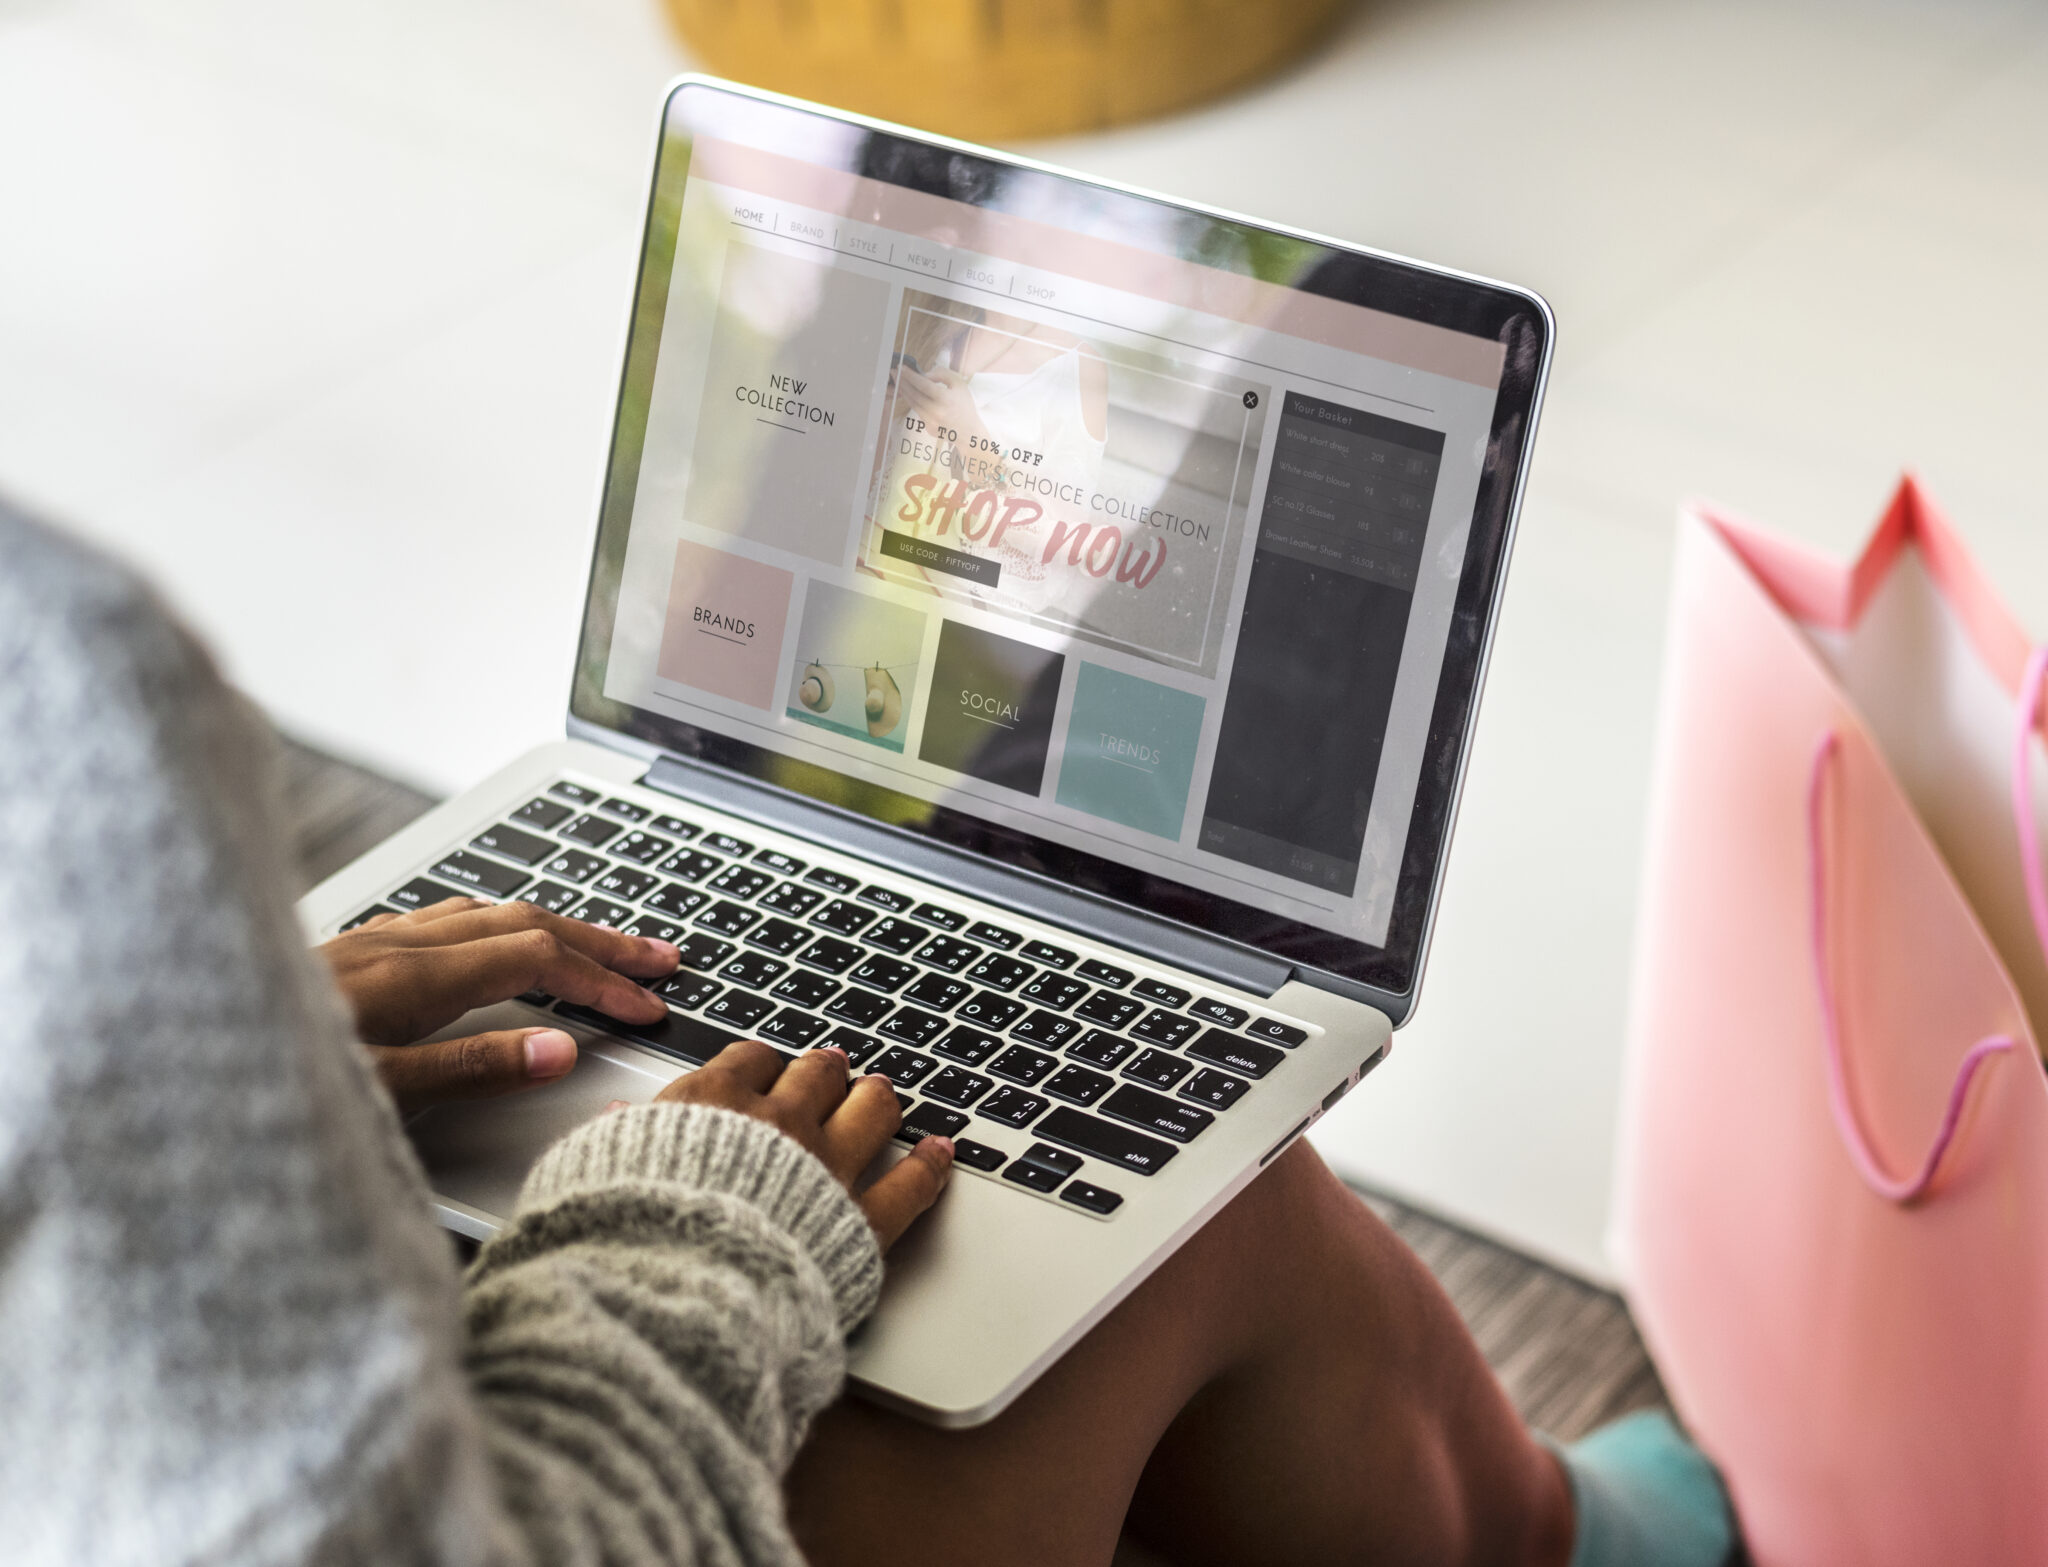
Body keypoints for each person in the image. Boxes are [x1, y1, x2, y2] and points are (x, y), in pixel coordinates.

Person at [0, 500, 1737, 1566]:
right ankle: (1537, 1540)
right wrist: (700, 1230)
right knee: (1192, 1215)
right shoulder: (54, 684)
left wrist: (208, 1097)